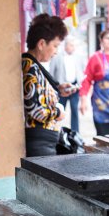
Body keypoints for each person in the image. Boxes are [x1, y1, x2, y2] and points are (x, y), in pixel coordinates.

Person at [22, 13, 77, 157]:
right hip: (40, 144)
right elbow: (35, 110)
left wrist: (58, 89)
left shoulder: (33, 65)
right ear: (41, 44)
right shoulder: (30, 68)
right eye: (55, 46)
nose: (56, 52)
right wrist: (59, 113)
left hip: (43, 141)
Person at [79, 27, 109, 135]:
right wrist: (83, 99)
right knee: (104, 143)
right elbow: (86, 80)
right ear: (101, 41)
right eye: (107, 38)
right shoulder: (96, 58)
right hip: (102, 109)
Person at [49, 36, 85, 132]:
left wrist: (80, 84)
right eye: (71, 45)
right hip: (61, 88)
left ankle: (75, 132)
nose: (73, 47)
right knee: (59, 110)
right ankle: (56, 130)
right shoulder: (57, 57)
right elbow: (51, 73)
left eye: (74, 45)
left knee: (74, 110)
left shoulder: (78, 57)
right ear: (66, 46)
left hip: (74, 87)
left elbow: (82, 71)